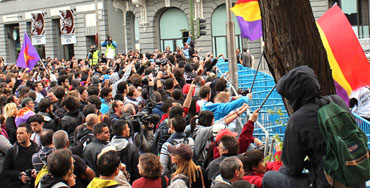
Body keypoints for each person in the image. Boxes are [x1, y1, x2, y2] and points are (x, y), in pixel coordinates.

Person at [262, 65, 353, 188]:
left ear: (295, 94)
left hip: (328, 183)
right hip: (355, 177)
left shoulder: (298, 120)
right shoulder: (337, 102)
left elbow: (292, 169)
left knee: (269, 178)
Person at [2, 123, 40, 188]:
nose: (18, 136)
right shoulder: (12, 151)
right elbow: (5, 171)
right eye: (17, 133)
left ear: (29, 134)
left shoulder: (37, 150)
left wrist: (36, 172)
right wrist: (19, 175)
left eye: (21, 133)